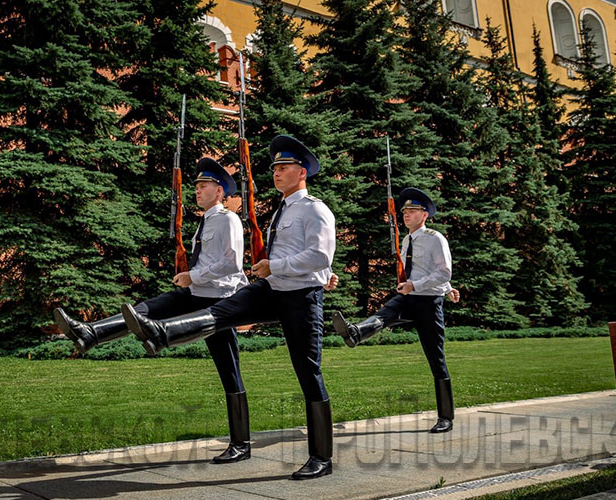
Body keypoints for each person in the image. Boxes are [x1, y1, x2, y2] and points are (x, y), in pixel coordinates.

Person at [122, 135, 337, 480]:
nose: (276, 174)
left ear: (302, 172)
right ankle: (163, 333)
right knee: (222, 314)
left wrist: (276, 266)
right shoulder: (283, 211)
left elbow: (320, 255)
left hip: (301, 297)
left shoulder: (315, 209)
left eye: (283, 168)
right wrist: (272, 271)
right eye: (275, 169)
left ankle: (321, 458)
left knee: (307, 371)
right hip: (271, 289)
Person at [52, 158, 252, 464]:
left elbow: (232, 263)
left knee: (229, 370)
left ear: (220, 190)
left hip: (217, 301)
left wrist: (192, 276)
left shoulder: (228, 220)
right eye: (196, 186)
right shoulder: (206, 221)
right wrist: (190, 277)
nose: (197, 190)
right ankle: (90, 333)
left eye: (203, 186)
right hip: (194, 293)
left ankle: (241, 443)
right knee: (144, 310)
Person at [332, 187, 458, 434]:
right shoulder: (407, 239)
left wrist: (443, 288)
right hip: (408, 297)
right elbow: (427, 270)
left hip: (429, 303)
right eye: (404, 211)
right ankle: (356, 333)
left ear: (425, 215)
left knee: (436, 359)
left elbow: (443, 271)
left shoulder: (435, 238)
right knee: (384, 313)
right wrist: (413, 287)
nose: (406, 214)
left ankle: (446, 417)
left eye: (412, 211)